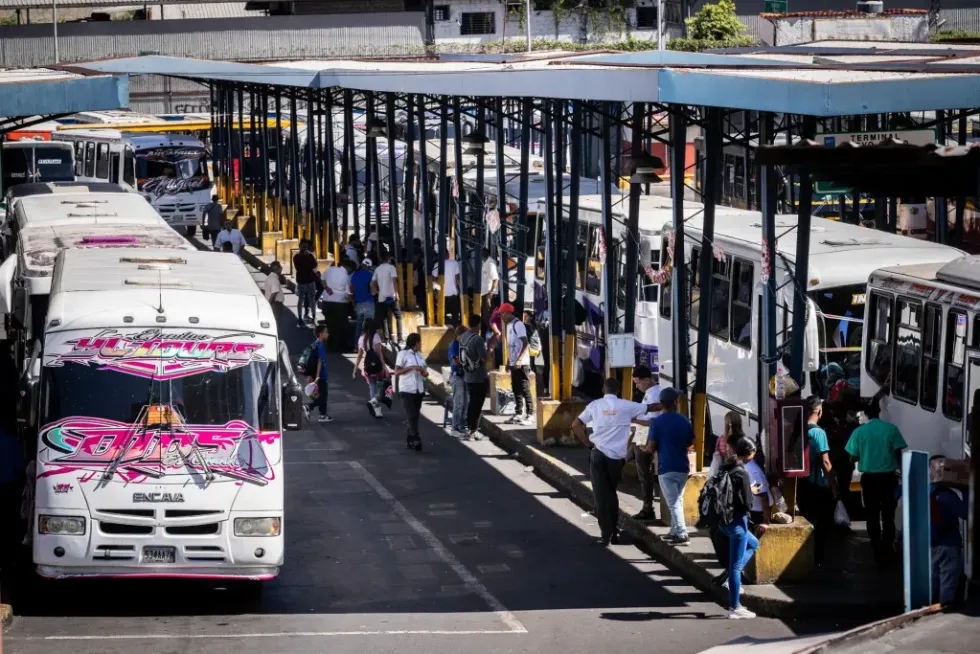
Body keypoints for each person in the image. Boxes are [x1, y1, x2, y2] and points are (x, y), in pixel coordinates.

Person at [572, 378, 649, 546]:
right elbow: (650, 408)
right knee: (611, 493)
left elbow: (576, 425)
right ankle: (614, 531)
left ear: (602, 389)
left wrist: (588, 444)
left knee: (601, 496)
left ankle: (606, 534)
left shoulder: (595, 405)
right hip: (616, 459)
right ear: (619, 389)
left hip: (598, 454)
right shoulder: (626, 406)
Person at [845, 401, 907, 564]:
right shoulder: (891, 429)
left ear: (866, 414)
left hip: (870, 479)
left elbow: (852, 457)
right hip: (889, 478)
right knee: (888, 515)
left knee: (872, 514)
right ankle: (888, 547)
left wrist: (864, 455)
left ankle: (876, 548)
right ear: (879, 412)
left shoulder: (859, 432)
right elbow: (899, 453)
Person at [719, 437, 764, 620]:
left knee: (753, 544)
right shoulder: (743, 473)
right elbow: (747, 504)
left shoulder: (727, 468)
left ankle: (731, 579)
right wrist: (752, 492)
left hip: (724, 521)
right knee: (736, 566)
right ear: (750, 453)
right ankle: (735, 607)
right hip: (737, 523)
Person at [646, 387, 694, 545]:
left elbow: (651, 447)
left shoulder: (657, 423)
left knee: (673, 502)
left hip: (666, 467)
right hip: (682, 466)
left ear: (661, 404)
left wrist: (645, 449)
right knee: (677, 500)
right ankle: (674, 531)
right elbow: (690, 443)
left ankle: (681, 533)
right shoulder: (684, 420)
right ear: (675, 402)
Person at [798, 396, 839, 563]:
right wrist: (834, 486)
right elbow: (826, 462)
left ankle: (805, 556)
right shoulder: (818, 433)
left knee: (806, 520)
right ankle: (818, 557)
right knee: (821, 523)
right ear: (819, 411)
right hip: (818, 486)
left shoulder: (798, 429)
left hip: (801, 482)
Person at [929, 455, 968, 605]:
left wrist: (899, 538)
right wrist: (965, 490)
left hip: (930, 544)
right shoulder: (947, 496)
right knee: (948, 581)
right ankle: (944, 611)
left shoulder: (924, 492)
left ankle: (929, 611)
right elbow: (965, 513)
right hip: (949, 545)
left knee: (933, 581)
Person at [629, 366, 662, 521]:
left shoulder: (654, 395)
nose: (637, 386)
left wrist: (634, 420)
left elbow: (653, 421)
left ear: (647, 379)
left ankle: (647, 508)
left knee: (644, 473)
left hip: (647, 436)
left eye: (638, 383)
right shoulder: (651, 393)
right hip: (642, 434)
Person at [499, 303, 534, 427]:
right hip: (514, 362)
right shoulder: (508, 326)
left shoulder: (518, 325)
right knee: (516, 388)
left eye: (502, 314)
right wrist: (509, 362)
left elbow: (525, 343)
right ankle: (519, 413)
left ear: (508, 313)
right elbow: (511, 346)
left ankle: (530, 414)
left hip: (522, 363)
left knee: (525, 388)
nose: (501, 317)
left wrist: (519, 360)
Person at [394, 333, 427, 452]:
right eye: (419, 342)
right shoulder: (403, 354)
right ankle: (416, 438)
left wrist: (423, 372)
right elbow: (397, 371)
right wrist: (411, 368)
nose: (421, 345)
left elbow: (425, 373)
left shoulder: (420, 355)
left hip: (418, 388)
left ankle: (409, 438)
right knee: (411, 414)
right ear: (415, 343)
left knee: (414, 415)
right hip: (406, 388)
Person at [460, 313, 488, 440]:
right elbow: (484, 357)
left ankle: (468, 427)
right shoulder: (478, 339)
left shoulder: (463, 337)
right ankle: (472, 430)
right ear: (478, 325)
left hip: (467, 375)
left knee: (472, 402)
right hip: (479, 377)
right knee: (477, 404)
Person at [353, 318, 388, 418]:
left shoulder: (361, 339)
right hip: (377, 366)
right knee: (381, 386)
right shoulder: (376, 337)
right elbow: (379, 352)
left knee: (372, 386)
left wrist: (355, 369)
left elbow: (360, 355)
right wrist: (384, 366)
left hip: (368, 366)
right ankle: (375, 404)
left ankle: (375, 408)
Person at [372, 250, 404, 345]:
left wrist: (378, 292)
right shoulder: (391, 268)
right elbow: (394, 281)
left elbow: (372, 283)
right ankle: (400, 338)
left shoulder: (377, 269)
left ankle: (386, 339)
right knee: (398, 316)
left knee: (384, 318)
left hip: (382, 297)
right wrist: (396, 293)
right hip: (391, 296)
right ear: (389, 259)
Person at [321, 257, 351, 352]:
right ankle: (338, 347)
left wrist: (327, 288)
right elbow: (348, 292)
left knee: (329, 325)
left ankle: (330, 346)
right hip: (340, 304)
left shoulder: (329, 269)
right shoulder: (346, 275)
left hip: (326, 302)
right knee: (340, 326)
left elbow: (322, 279)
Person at [447, 323, 471, 438]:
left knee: (466, 403)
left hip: (466, 376)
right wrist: (467, 362)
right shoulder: (454, 345)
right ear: (458, 335)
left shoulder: (465, 345)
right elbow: (456, 361)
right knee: (459, 403)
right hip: (457, 376)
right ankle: (455, 427)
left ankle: (463, 426)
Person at [306, 324, 333, 423]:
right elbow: (319, 361)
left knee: (322, 394)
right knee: (323, 396)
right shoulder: (320, 345)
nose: (328, 333)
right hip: (321, 375)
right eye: (326, 332)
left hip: (315, 374)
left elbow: (310, 360)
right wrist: (317, 376)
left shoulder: (314, 344)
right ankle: (309, 406)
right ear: (321, 334)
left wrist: (310, 375)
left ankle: (323, 415)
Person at [349, 257, 376, 347]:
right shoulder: (370, 275)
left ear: (361, 265)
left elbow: (351, 290)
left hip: (358, 304)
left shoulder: (354, 275)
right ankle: (368, 345)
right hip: (368, 303)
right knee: (368, 326)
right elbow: (372, 291)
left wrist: (353, 303)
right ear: (369, 267)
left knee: (359, 325)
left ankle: (357, 346)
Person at [293, 239, 320, 326]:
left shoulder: (308, 256)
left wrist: (308, 256)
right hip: (304, 280)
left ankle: (312, 316)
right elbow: (308, 266)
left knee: (310, 299)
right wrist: (308, 257)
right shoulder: (296, 257)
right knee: (302, 299)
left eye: (306, 247)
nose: (304, 248)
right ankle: (301, 317)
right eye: (303, 246)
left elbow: (314, 264)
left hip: (308, 280)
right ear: (299, 246)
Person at [433, 255, 462, 325]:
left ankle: (444, 326)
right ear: (448, 254)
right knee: (455, 314)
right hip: (453, 293)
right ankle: (454, 328)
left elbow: (433, 279)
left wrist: (436, 291)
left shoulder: (437, 264)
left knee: (442, 313)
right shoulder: (455, 263)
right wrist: (460, 290)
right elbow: (457, 278)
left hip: (442, 293)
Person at [262, 261, 285, 330]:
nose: (281, 268)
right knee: (276, 324)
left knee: (274, 323)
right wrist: (269, 303)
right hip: (275, 305)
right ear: (276, 268)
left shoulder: (271, 277)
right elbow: (274, 292)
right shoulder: (274, 279)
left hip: (273, 304)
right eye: (280, 267)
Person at [481, 247, 499, 327]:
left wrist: (490, 293)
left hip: (488, 293)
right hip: (484, 293)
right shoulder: (484, 262)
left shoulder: (490, 264)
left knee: (488, 315)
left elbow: (495, 280)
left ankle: (491, 332)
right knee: (485, 315)